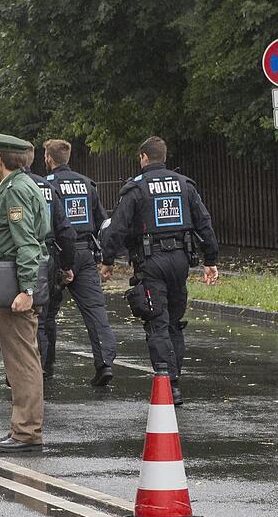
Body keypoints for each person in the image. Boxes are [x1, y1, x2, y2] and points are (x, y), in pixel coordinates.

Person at [100, 136, 219, 405]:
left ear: (143, 157)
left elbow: (117, 227)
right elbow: (204, 222)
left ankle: (168, 381)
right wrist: (210, 260)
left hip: (151, 262)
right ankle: (174, 378)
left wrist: (107, 260)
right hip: (180, 262)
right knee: (174, 323)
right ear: (163, 157)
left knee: (157, 321)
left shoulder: (136, 188)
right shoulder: (184, 185)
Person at [0, 134, 49, 453]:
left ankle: (26, 432)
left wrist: (27, 290)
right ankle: (23, 429)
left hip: (16, 282)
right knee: (20, 358)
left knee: (22, 361)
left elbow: (27, 243)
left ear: (0, 159)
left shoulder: (16, 190)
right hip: (8, 278)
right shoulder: (12, 187)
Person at [43, 139, 118, 385]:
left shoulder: (47, 186)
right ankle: (105, 363)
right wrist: (106, 257)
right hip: (85, 252)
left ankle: (45, 366)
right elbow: (103, 223)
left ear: (49, 159)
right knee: (95, 310)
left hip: (56, 253)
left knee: (46, 313)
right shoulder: (87, 184)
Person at [20, 148, 77, 379]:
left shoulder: (12, 187)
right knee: (47, 316)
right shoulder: (47, 186)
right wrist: (66, 265)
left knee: (32, 318)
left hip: (27, 257)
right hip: (49, 256)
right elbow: (66, 232)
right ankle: (47, 366)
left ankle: (37, 368)